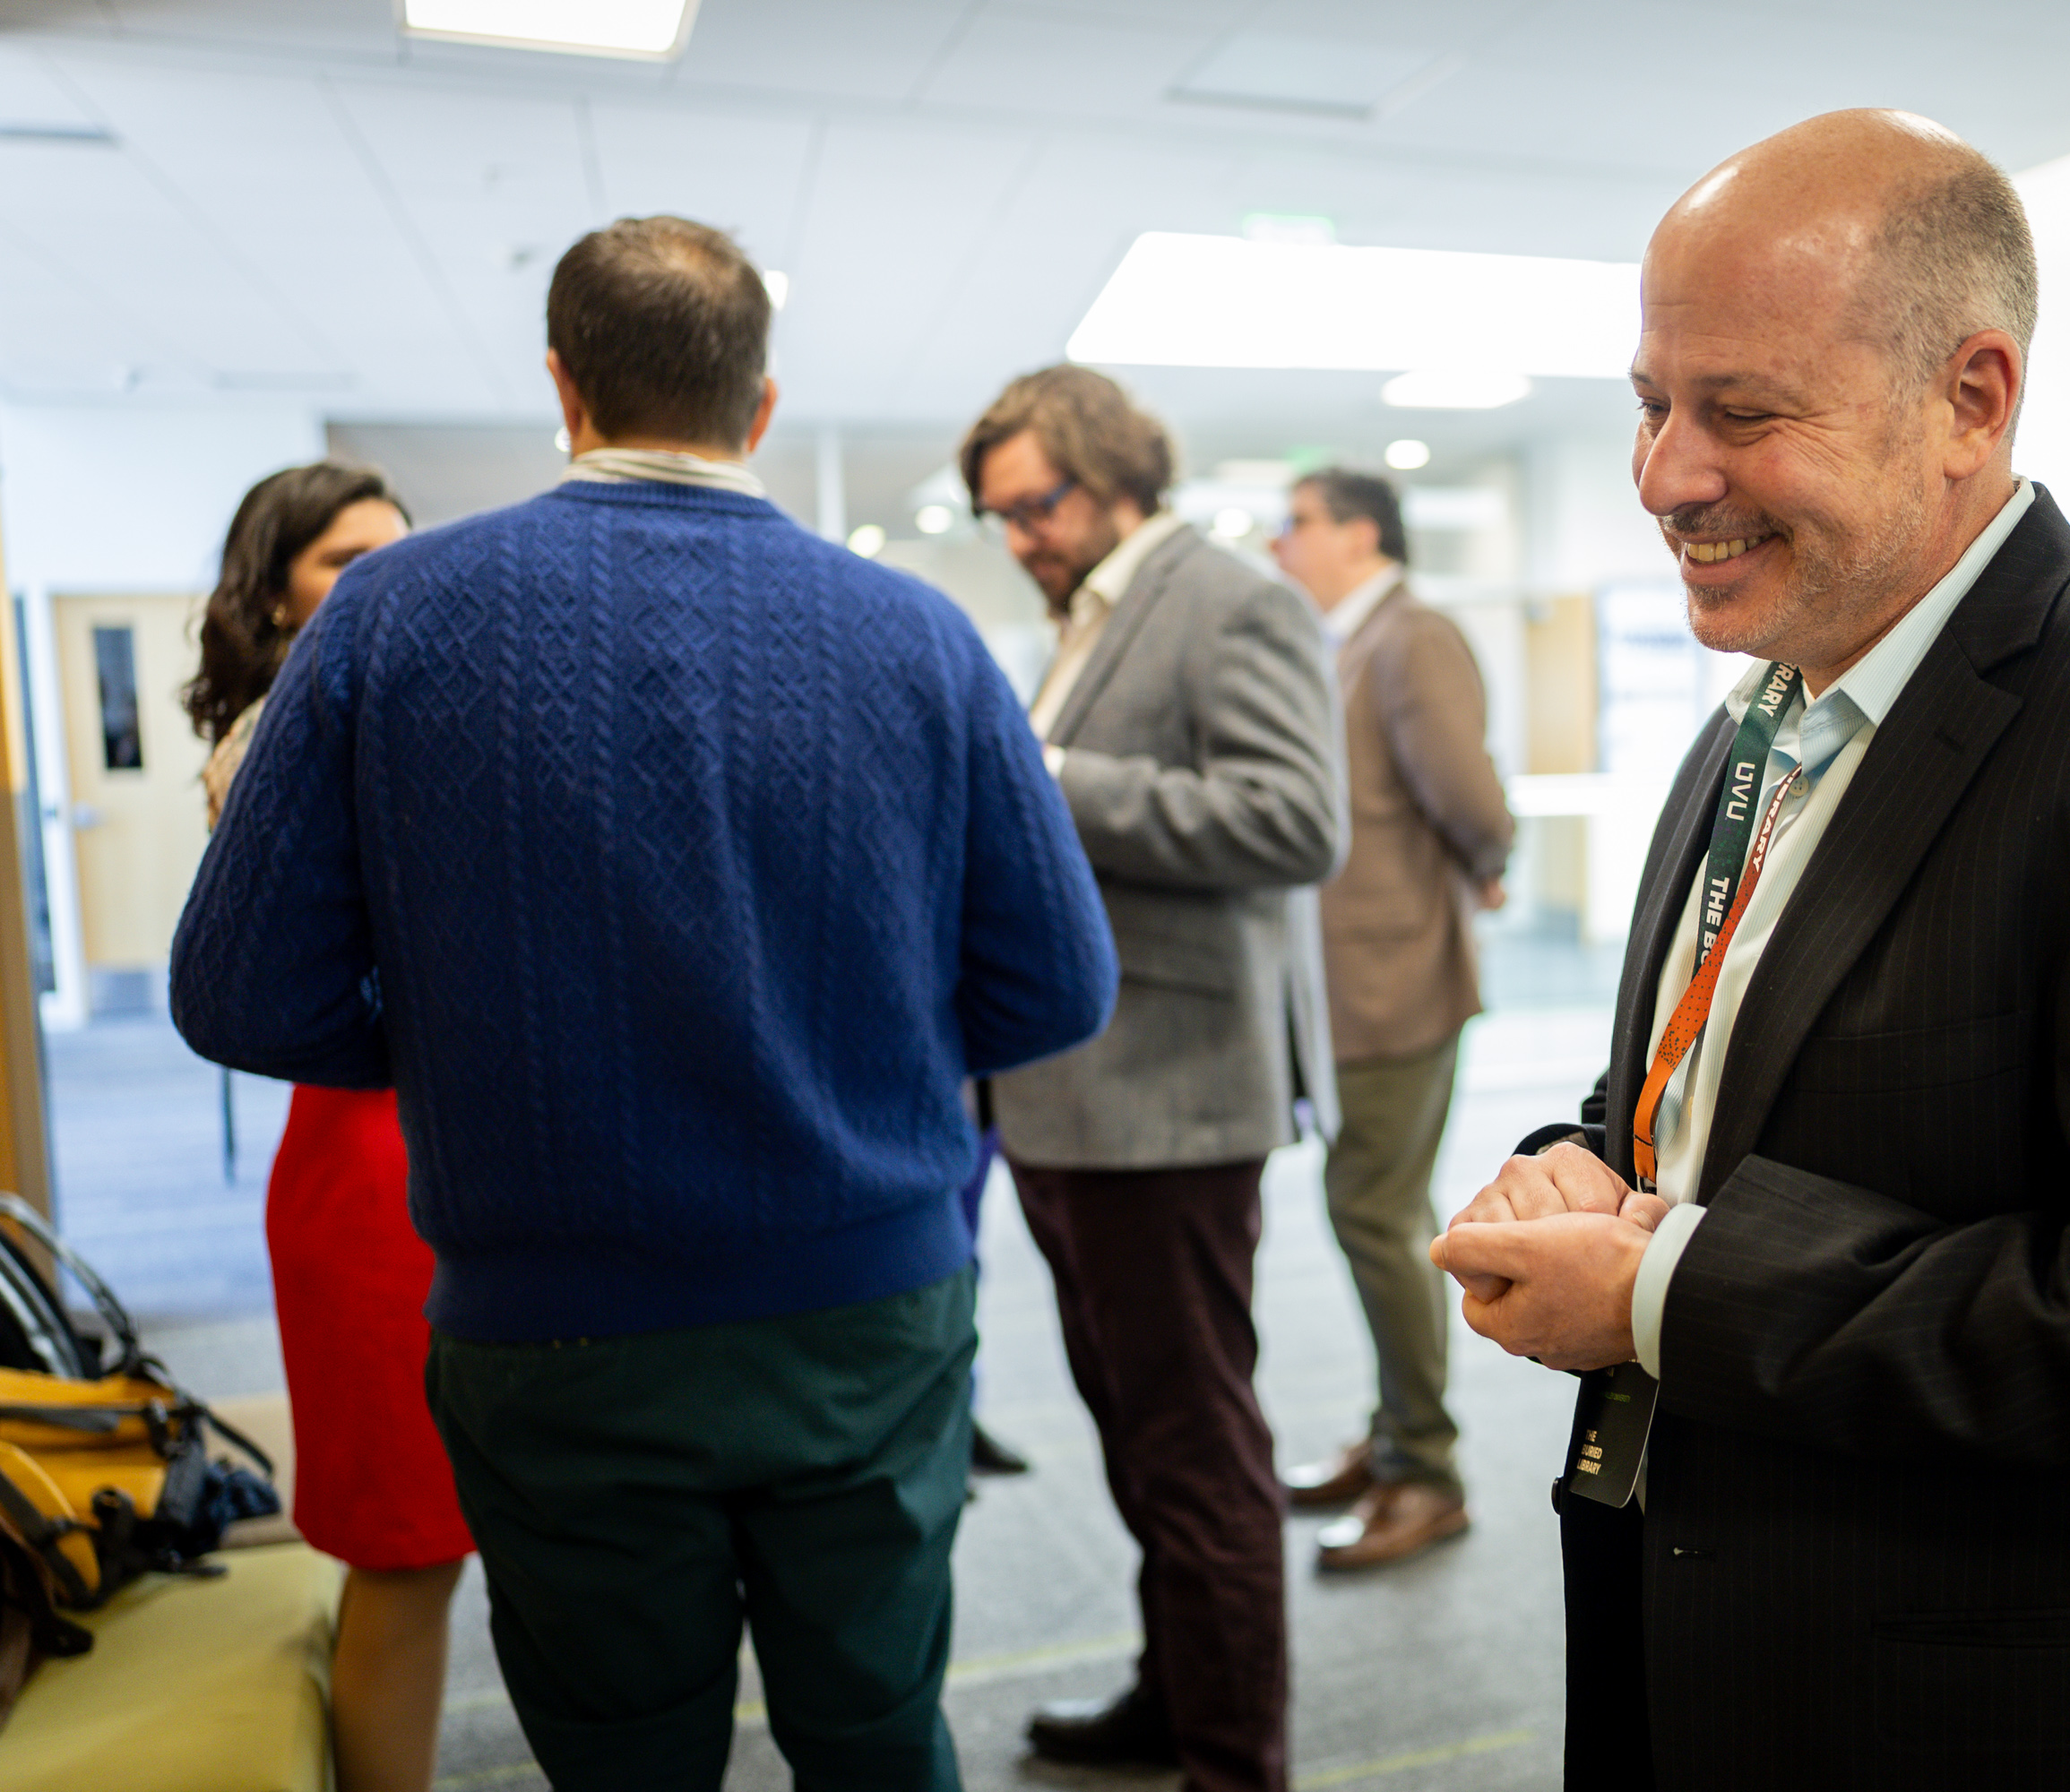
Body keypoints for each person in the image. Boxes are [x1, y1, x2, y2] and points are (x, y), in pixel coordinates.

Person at [1430, 111, 2070, 1791]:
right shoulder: (1754, 724)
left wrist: (1662, 1287)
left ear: (1973, 397)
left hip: (2011, 1712)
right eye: (1653, 408)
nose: (1669, 475)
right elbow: (1697, 1112)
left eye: (1741, 412)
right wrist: (1576, 1175)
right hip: (1713, 1643)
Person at [171, 215, 1117, 1792]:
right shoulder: (923, 636)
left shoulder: (392, 617)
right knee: (881, 1736)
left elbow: (236, 990)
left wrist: (460, 1037)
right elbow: (1057, 985)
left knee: (624, 1759)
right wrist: (859, 1042)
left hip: (552, 1324)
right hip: (864, 1308)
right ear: (759, 406)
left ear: (563, 388)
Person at [961, 365, 1343, 1792]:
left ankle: (1235, 1761)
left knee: (1195, 1454)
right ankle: (1172, 1695)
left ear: (1116, 471)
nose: (1019, 536)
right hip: (1073, 1092)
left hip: (1169, 1099)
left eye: (1036, 505)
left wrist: (1045, 778)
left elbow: (1295, 820)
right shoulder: (1091, 613)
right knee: (1140, 1442)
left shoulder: (1230, 597)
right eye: (997, 515)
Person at [182, 461, 472, 1792]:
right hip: (373, 1184)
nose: (380, 582)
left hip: (466, 1160)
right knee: (406, 1556)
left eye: (394, 555)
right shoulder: (274, 744)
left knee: (490, 1540)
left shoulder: (397, 714)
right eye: (343, 560)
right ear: (274, 595)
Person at [1267, 469, 1513, 1570]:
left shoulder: (1411, 636)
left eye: (1299, 523)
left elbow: (1468, 796)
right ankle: (1396, 1433)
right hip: (1350, 983)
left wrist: (1486, 866)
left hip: (1395, 980)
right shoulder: (1348, 639)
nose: (1282, 543)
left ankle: (1427, 1465)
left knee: (1373, 1210)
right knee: (1374, 1205)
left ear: (1360, 533)